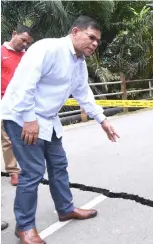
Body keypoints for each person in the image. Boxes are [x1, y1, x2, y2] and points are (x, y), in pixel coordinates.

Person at [1, 15, 119, 244]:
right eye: (91, 37)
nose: (94, 44)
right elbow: (25, 84)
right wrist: (29, 119)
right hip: (22, 117)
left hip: (48, 121)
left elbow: (83, 93)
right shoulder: (47, 49)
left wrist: (102, 120)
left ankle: (65, 208)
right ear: (75, 31)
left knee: (59, 165)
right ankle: (24, 227)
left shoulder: (79, 62)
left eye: (97, 41)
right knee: (33, 172)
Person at [1, 25, 33, 186]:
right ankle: (13, 171)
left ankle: (26, 168)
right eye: (23, 40)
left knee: (25, 136)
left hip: (23, 102)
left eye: (28, 42)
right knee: (7, 139)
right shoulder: (1, 52)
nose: (25, 44)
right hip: (4, 102)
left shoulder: (27, 56)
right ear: (14, 34)